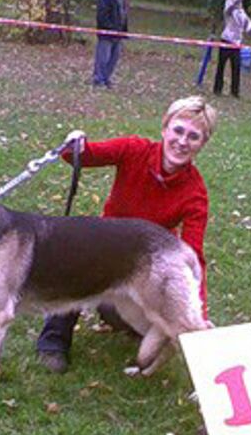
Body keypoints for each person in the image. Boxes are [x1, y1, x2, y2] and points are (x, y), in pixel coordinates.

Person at [37, 95, 218, 372]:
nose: (182, 142)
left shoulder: (195, 194)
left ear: (202, 144)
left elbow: (194, 256)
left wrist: (198, 315)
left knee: (131, 313)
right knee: (73, 265)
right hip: (106, 247)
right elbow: (79, 156)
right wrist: (75, 144)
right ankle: (53, 341)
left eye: (193, 137)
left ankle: (141, 330)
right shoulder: (134, 149)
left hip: (146, 264)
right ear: (165, 128)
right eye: (178, 131)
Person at [213, 0, 251, 98]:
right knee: (221, 66)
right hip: (226, 40)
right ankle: (217, 89)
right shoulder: (229, 12)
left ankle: (235, 92)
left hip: (237, 44)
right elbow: (230, 7)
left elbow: (249, 27)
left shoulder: (241, 14)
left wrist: (244, 20)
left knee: (236, 67)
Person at [92, 0, 128, 88]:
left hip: (118, 33)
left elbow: (122, 13)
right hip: (107, 34)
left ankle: (107, 78)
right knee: (103, 57)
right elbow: (102, 15)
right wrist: (109, 29)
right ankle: (98, 79)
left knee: (114, 57)